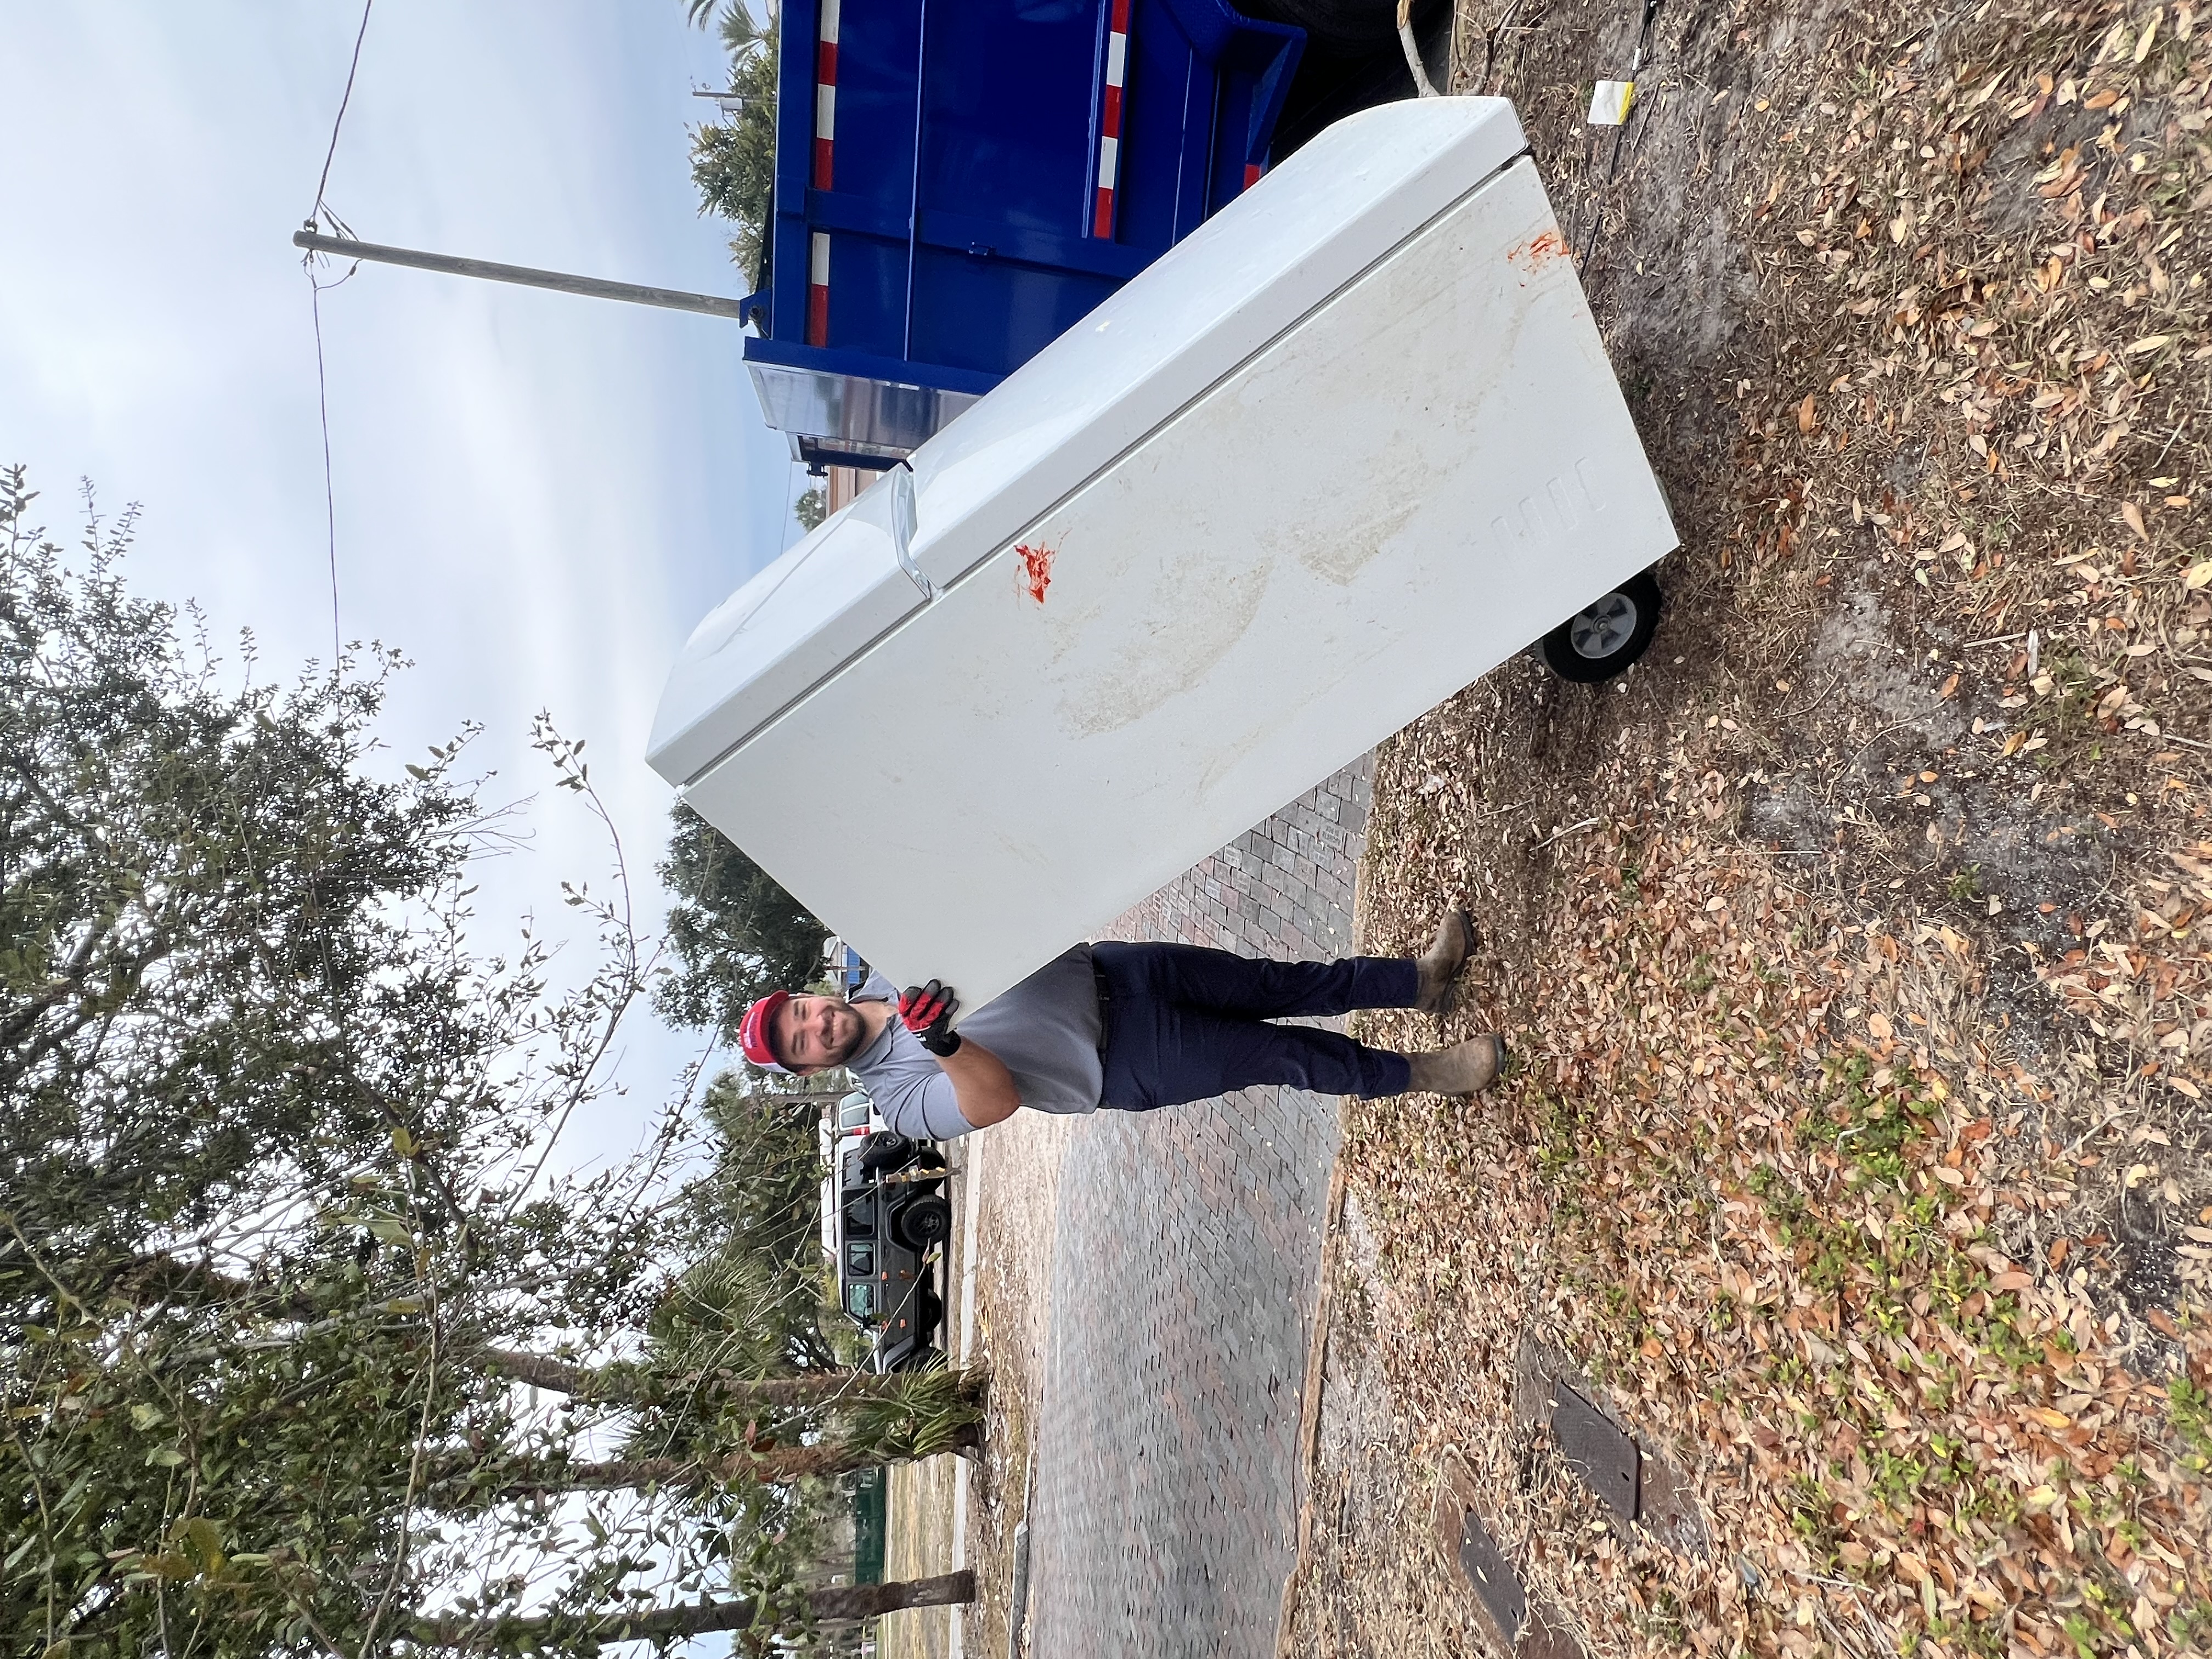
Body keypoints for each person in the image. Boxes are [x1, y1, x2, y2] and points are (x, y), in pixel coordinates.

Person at [735, 915, 1505, 1141]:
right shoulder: (899, 1099)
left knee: (1282, 982)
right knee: (1283, 1053)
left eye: (796, 1013)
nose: (812, 1025)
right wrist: (942, 1045)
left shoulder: (896, 949)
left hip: (1120, 970)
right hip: (1128, 1060)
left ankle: (1420, 981)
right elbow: (992, 1102)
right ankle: (1426, 1074)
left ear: (805, 996)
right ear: (808, 1071)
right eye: (797, 1042)